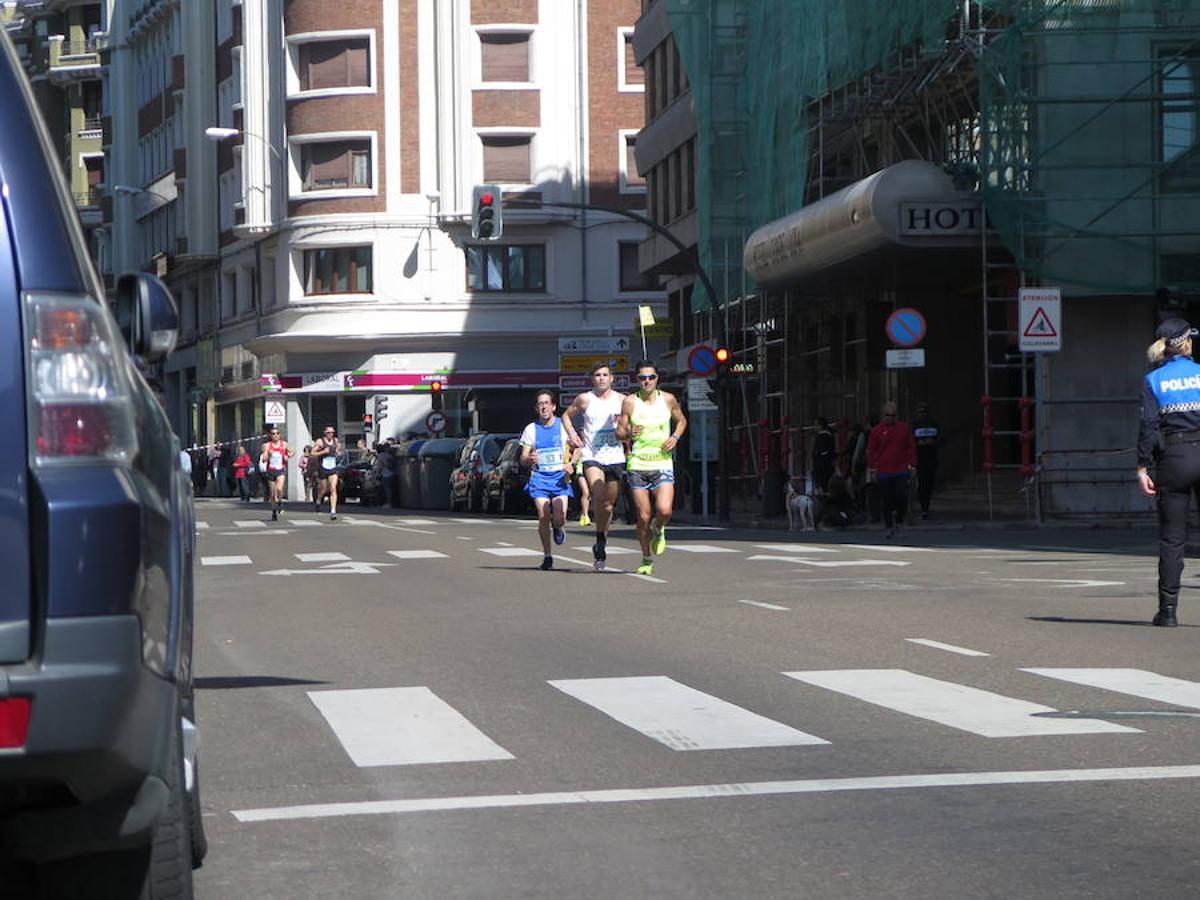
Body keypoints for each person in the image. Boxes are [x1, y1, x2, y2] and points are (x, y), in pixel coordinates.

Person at [1136, 317, 1200, 627]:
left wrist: (1142, 466)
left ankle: (1168, 611)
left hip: (1173, 458)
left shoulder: (1154, 380)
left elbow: (1148, 428)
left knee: (1173, 539)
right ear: (1186, 343)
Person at [616, 360, 687, 576]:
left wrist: (674, 437)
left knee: (664, 511)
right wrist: (628, 434)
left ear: (658, 379)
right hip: (638, 464)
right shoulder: (629, 402)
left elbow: (682, 420)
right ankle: (646, 558)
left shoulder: (668, 399)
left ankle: (659, 527)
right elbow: (618, 431)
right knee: (643, 516)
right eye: (642, 378)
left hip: (662, 462)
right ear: (636, 380)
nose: (647, 381)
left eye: (651, 377)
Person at [561, 363, 627, 571]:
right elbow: (566, 416)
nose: (601, 378)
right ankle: (599, 540)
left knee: (608, 504)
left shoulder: (623, 400)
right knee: (598, 496)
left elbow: (632, 423)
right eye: (597, 375)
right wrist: (572, 435)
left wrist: (628, 431)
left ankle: (601, 538)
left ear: (612, 378)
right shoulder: (585, 399)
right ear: (593, 379)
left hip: (615, 456)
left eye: (605, 375)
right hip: (592, 455)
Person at [519, 391, 573, 570]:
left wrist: (572, 463)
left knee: (559, 516)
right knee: (543, 515)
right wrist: (529, 459)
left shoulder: (563, 426)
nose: (544, 407)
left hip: (560, 478)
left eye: (547, 403)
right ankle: (547, 555)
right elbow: (523, 457)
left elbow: (577, 447)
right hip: (540, 478)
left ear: (554, 406)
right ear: (536, 408)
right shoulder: (531, 429)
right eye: (540, 404)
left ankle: (559, 527)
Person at [866, 401, 915, 539]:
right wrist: (872, 469)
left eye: (893, 415)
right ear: (883, 415)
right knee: (886, 499)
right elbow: (871, 450)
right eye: (888, 415)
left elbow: (910, 448)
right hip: (883, 470)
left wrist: (912, 465)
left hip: (901, 468)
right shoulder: (876, 431)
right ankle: (888, 526)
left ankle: (899, 521)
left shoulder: (904, 429)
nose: (890, 418)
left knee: (902, 496)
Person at [912, 402, 941, 519]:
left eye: (924, 412)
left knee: (930, 484)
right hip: (920, 459)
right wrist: (918, 443)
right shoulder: (915, 425)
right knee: (922, 484)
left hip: (931, 458)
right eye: (920, 412)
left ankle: (926, 506)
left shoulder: (933, 423)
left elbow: (941, 438)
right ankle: (924, 508)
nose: (922, 414)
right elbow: (910, 440)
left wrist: (933, 442)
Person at [259, 427, 293, 521]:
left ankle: (281, 502)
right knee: (273, 493)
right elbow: (263, 459)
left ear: (280, 435)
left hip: (280, 469)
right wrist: (269, 455)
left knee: (279, 488)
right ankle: (274, 511)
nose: (275, 435)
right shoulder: (267, 445)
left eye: (277, 433)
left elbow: (292, 452)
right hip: (271, 470)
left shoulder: (284, 444)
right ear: (270, 435)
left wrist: (287, 456)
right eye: (273, 434)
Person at [311, 426, 344, 520]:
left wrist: (337, 452)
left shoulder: (335, 441)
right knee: (323, 489)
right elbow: (312, 453)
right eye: (329, 432)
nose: (331, 434)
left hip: (333, 467)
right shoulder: (320, 441)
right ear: (325, 433)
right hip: (323, 467)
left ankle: (333, 511)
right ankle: (318, 501)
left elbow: (338, 448)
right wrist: (323, 452)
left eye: (332, 432)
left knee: (333, 488)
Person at [810, 416, 836, 495]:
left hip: (821, 465)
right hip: (827, 465)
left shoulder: (821, 436)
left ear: (820, 425)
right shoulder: (830, 435)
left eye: (815, 424)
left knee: (821, 487)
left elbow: (822, 451)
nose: (814, 427)